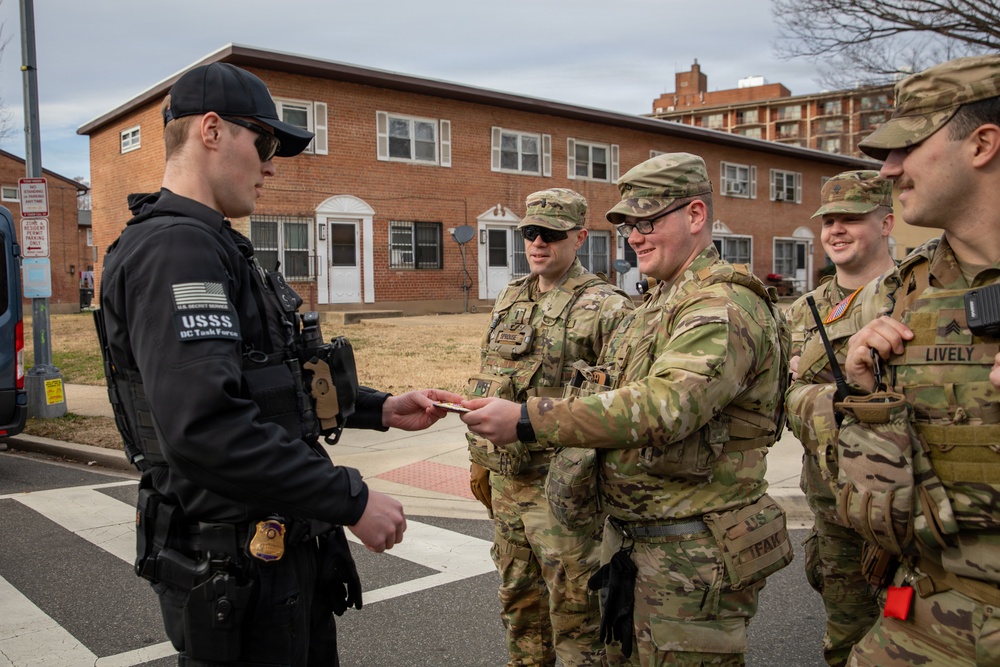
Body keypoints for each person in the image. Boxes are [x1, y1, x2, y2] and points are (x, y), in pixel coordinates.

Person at [96, 62, 463, 665]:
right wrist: (351, 499)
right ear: (211, 131)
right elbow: (207, 427)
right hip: (236, 570)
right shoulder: (176, 249)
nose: (272, 166)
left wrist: (377, 408)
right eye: (263, 143)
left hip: (271, 563)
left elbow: (268, 379)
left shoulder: (212, 242)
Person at [463, 153, 792, 666]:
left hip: (692, 550)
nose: (635, 236)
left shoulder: (720, 305)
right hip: (640, 544)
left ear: (696, 215)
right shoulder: (658, 302)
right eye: (629, 225)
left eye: (648, 221)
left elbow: (666, 406)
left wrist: (528, 419)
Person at [835, 54, 1000, 666]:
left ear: (982, 143)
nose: (888, 169)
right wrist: (860, 398)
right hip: (924, 613)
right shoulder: (903, 291)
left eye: (908, 146)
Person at [467, 188, 633, 666]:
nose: (538, 242)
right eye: (529, 232)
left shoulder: (607, 307)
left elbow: (620, 407)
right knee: (519, 607)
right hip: (506, 481)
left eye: (551, 234)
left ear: (580, 237)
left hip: (563, 492)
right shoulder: (511, 296)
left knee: (577, 616)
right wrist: (479, 460)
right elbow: (490, 378)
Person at [783, 170, 895, 667]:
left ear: (887, 222)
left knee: (913, 633)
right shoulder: (804, 310)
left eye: (852, 218)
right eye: (829, 221)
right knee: (846, 636)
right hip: (832, 505)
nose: (836, 230)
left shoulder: (911, 294)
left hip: (901, 505)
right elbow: (778, 401)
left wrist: (814, 393)